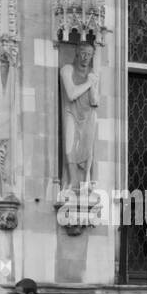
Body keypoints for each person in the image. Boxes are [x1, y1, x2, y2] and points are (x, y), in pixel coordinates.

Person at [60, 42, 100, 190]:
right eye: (83, 53)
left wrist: (93, 86)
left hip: (88, 113)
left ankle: (86, 179)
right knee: (70, 145)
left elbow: (95, 101)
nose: (85, 57)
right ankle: (72, 180)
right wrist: (89, 83)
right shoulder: (67, 69)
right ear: (77, 53)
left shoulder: (92, 74)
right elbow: (71, 94)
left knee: (88, 147)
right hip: (71, 112)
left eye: (89, 54)